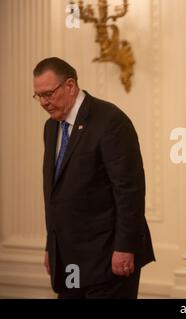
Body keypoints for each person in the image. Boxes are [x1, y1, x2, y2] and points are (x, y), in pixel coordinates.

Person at [33, 57, 155, 298]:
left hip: (108, 258)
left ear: (70, 85)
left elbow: (129, 190)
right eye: (39, 96)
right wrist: (52, 246)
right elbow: (56, 193)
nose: (44, 103)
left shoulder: (109, 120)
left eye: (49, 94)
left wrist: (125, 247)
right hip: (69, 260)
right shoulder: (51, 127)